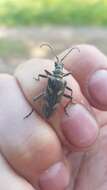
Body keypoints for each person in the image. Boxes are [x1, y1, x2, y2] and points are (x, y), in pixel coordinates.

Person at [0, 44, 107, 190]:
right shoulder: (64, 81)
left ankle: (38, 112)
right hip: (54, 103)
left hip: (48, 101)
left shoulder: (50, 78)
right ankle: (59, 110)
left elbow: (41, 82)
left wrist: (38, 78)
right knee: (61, 96)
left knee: (42, 96)